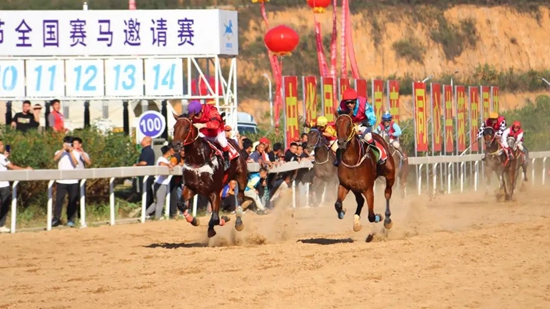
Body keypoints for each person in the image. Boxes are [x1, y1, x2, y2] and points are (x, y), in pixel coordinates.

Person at [187, 100, 238, 170]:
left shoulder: (211, 110)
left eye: (196, 115)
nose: (195, 117)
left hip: (217, 133)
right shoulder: (193, 113)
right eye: (193, 115)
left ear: (201, 110)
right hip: (204, 134)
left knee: (222, 140)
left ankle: (226, 159)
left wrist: (202, 125)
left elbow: (216, 124)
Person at [336, 88, 377, 166]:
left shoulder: (364, 105)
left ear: (356, 100)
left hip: (363, 123)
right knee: (340, 139)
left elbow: (373, 118)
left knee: (368, 137)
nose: (349, 105)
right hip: (350, 124)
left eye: (352, 102)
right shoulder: (342, 106)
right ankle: (339, 160)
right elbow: (340, 117)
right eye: (347, 103)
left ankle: (376, 157)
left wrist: (366, 124)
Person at [0, 139, 33, 233]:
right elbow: (12, 167)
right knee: (4, 205)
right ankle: (1, 225)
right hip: (3, 185)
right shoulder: (1, 157)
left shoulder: (3, 157)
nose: (2, 147)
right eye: (1, 145)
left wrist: (5, 157)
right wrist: (25, 169)